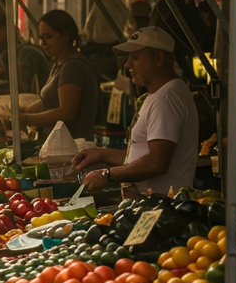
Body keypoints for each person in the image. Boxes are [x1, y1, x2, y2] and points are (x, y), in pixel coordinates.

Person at [74, 28, 198, 195]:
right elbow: (142, 157)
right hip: (149, 204)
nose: (127, 65)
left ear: (158, 58)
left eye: (135, 57)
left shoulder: (166, 98)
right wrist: (102, 155)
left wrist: (107, 174)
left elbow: (156, 162)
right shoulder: (160, 95)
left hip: (161, 206)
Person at [19, 9, 100, 141]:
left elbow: (67, 112)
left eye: (48, 37)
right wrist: (23, 113)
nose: (43, 43)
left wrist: (27, 119)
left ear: (65, 35)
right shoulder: (58, 63)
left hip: (71, 148)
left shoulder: (73, 66)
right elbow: (46, 103)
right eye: (41, 38)